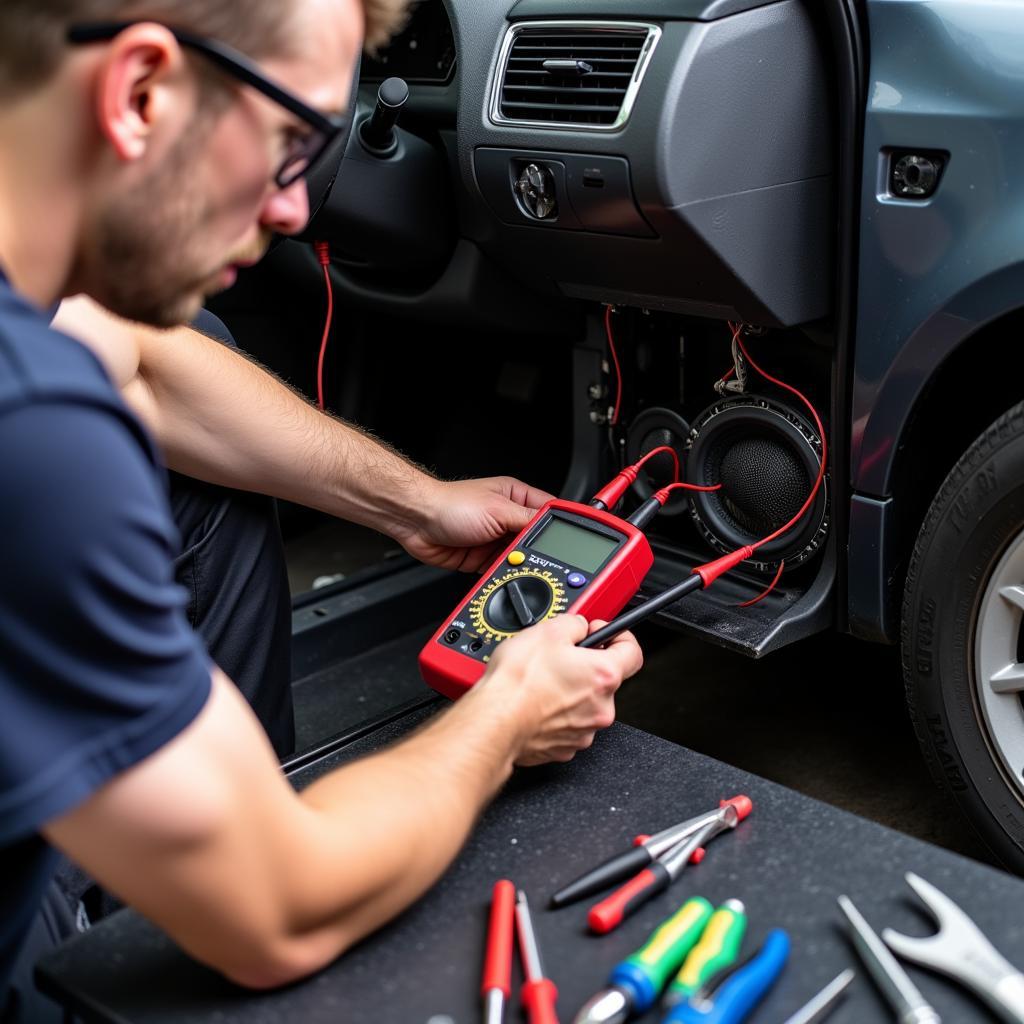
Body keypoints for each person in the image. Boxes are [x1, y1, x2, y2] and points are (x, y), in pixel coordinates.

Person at [0, 1, 645, 1019]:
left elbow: (152, 362)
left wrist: (416, 503)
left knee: (197, 360)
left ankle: (166, 837)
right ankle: (145, 886)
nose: (298, 210)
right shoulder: (32, 427)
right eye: (292, 143)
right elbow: (278, 915)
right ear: (138, 92)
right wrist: (507, 712)